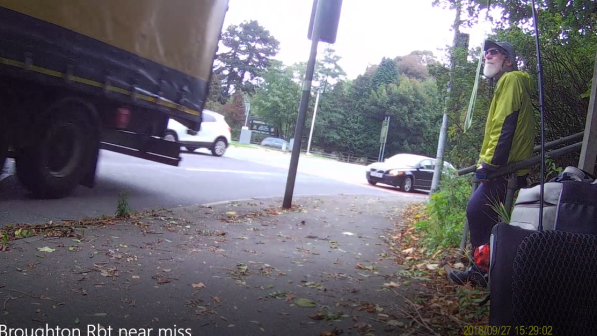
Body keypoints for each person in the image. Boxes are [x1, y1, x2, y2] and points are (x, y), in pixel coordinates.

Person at [448, 40, 535, 287]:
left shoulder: (511, 80)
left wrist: (490, 164)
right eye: (486, 52)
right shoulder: (507, 82)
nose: (487, 55)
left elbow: (504, 125)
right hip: (506, 167)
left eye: (494, 52)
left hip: (505, 169)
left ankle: (482, 273)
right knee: (487, 218)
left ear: (508, 60)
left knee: (476, 211)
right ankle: (484, 272)